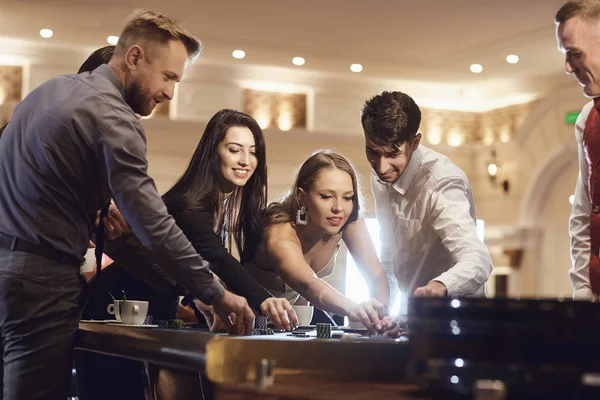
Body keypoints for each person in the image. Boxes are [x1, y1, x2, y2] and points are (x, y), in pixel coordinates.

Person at [0, 9, 253, 399]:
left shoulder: (46, 91)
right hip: (42, 281)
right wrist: (216, 292)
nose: (171, 92)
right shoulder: (116, 118)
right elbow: (153, 222)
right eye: (168, 77)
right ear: (133, 58)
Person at [78, 108, 298, 400]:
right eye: (234, 150)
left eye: (252, 152)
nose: (245, 161)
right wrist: (264, 299)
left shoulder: (220, 205)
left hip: (152, 312)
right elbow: (217, 258)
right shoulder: (192, 206)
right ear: (213, 152)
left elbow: (194, 271)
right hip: (111, 307)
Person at [361, 91, 493, 304]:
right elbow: (389, 252)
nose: (381, 167)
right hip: (415, 313)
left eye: (392, 154)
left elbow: (478, 259)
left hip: (461, 315)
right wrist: (382, 309)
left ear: (414, 143)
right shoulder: (380, 177)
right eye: (373, 152)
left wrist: (440, 285)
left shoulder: (442, 182)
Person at [245, 150, 391, 333]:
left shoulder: (347, 221)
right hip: (247, 321)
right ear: (302, 197)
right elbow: (310, 286)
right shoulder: (279, 233)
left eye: (347, 197)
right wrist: (356, 309)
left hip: (299, 322)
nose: (338, 208)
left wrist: (381, 318)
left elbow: (376, 275)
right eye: (326, 196)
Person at [556, 0, 600, 301]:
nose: (568, 67)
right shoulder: (587, 119)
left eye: (574, 54)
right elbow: (583, 213)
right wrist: (583, 289)